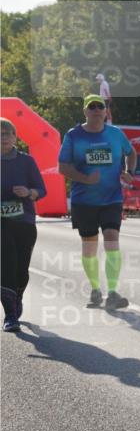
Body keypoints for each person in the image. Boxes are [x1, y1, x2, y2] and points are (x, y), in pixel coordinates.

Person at [58, 94, 135, 309]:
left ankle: (112, 292)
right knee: (89, 248)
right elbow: (62, 167)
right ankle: (95, 290)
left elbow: (131, 153)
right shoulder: (74, 135)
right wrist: (85, 179)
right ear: (85, 111)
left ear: (105, 110)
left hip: (112, 199)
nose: (96, 110)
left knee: (112, 242)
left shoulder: (116, 134)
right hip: (84, 201)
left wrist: (130, 171)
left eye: (99, 106)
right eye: (91, 107)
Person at [1, 117, 46, 332]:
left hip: (24, 221)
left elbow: (41, 189)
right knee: (6, 263)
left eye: (6, 133)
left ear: (14, 136)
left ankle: (16, 296)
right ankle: (10, 315)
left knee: (21, 270)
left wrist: (28, 192)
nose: (3, 138)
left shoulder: (26, 161)